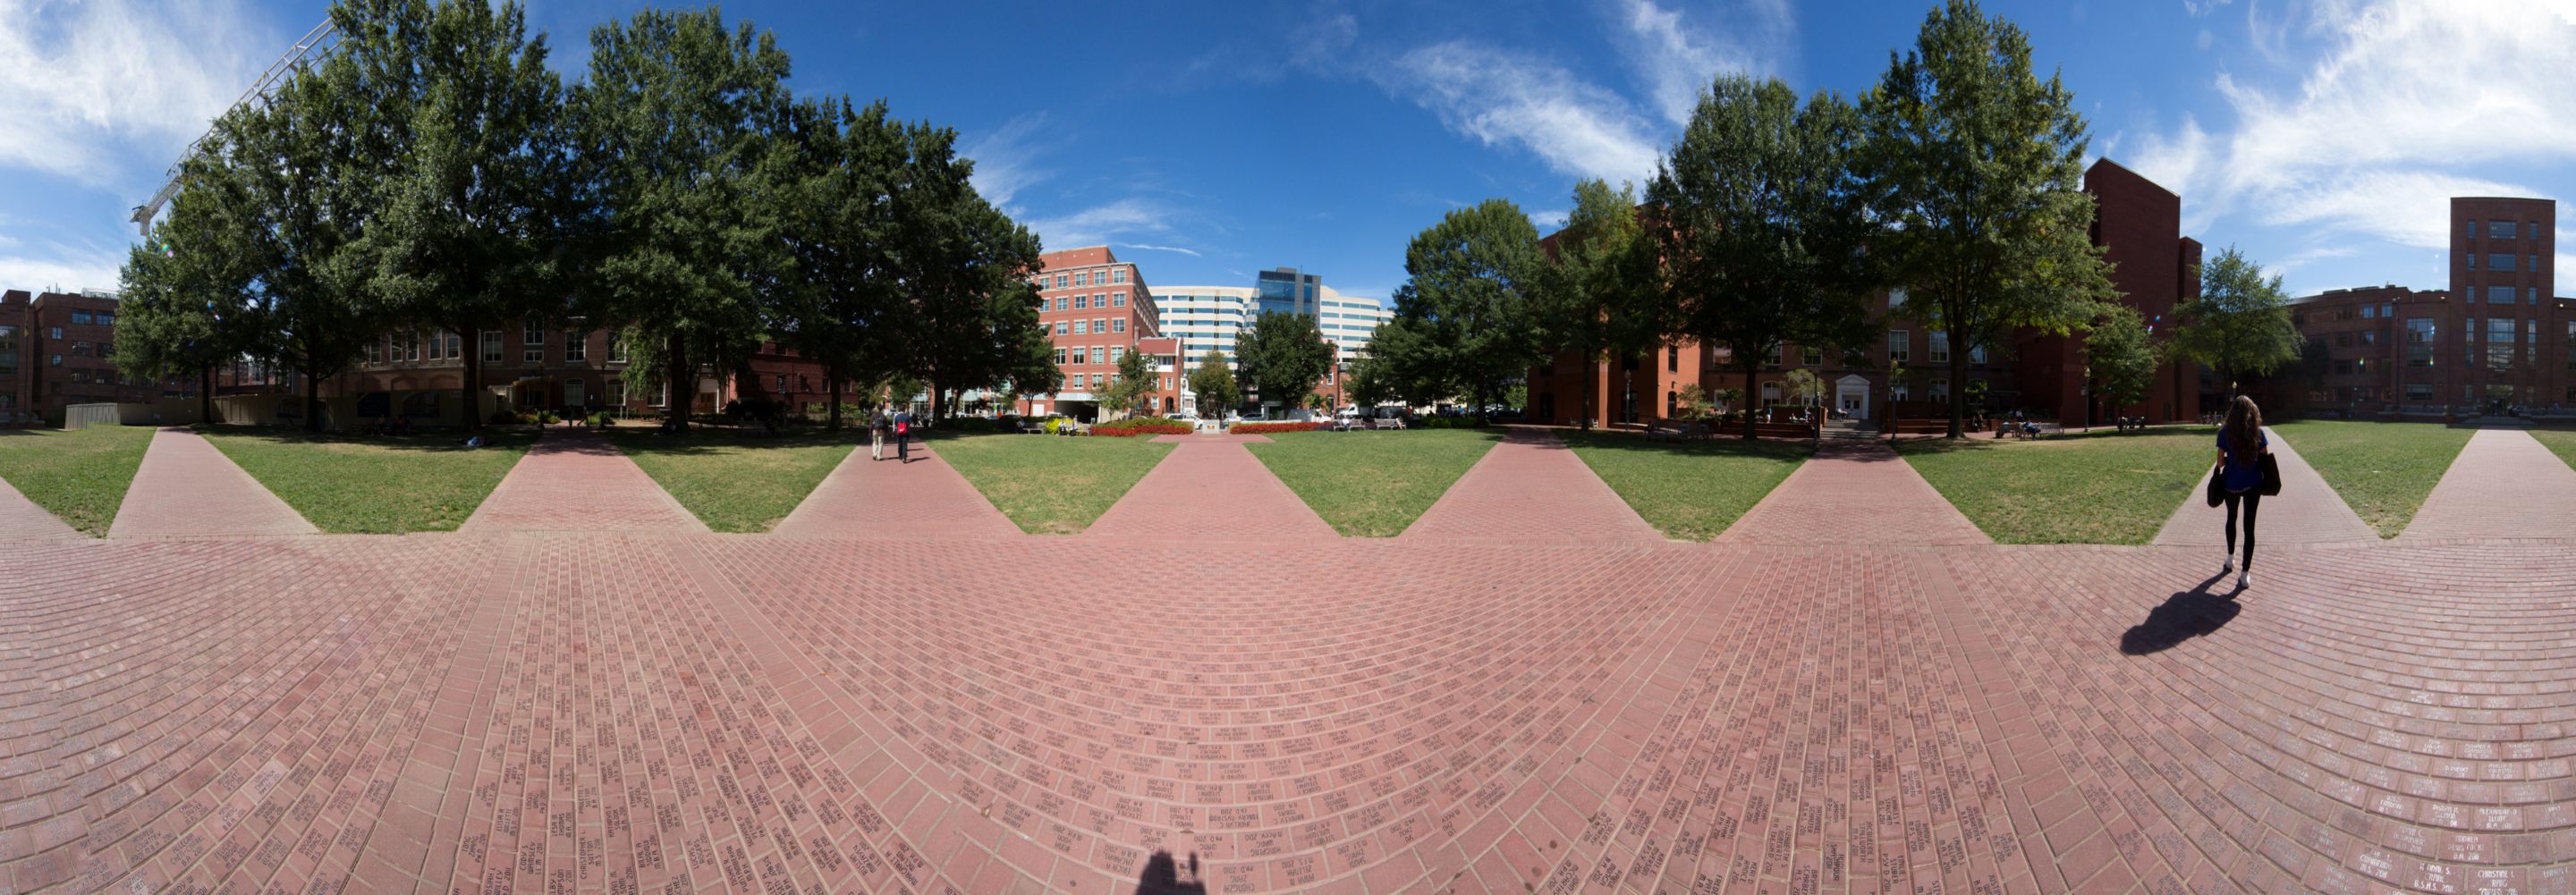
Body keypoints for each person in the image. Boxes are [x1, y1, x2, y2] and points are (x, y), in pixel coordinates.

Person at [2214, 394, 2269, 590]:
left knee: (2231, 518)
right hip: (2253, 483)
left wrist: (2233, 460)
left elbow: (2220, 462)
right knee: (2249, 527)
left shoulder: (2224, 433)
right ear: (2252, 413)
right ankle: (2245, 574)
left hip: (2230, 483)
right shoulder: (2258, 433)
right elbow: (2264, 459)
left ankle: (2230, 559)